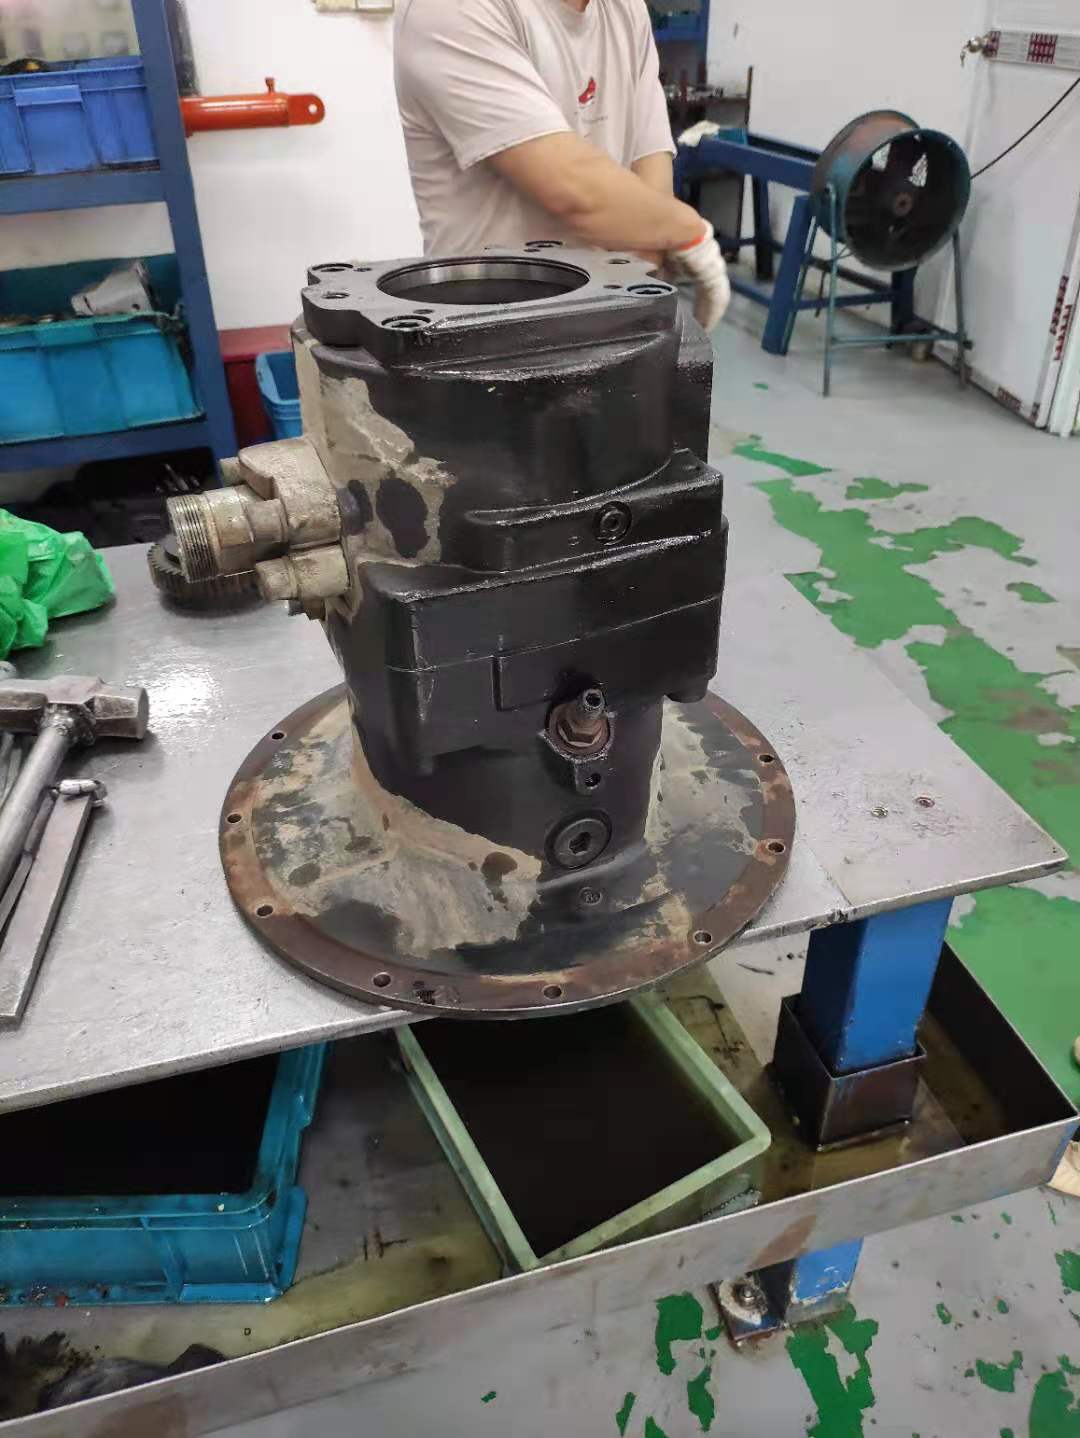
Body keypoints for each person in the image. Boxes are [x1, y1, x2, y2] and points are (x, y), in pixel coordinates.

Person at [393, 0, 730, 331]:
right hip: (486, 330)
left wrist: (655, 247)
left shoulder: (626, 9)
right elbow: (574, 190)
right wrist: (691, 233)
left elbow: (651, 176)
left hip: (609, 319)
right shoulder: (450, 8)